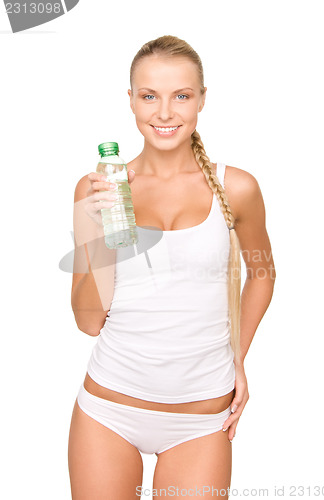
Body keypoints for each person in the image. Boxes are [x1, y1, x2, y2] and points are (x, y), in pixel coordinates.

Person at [68, 35, 276, 499]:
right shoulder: (97, 188)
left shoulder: (237, 188)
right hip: (107, 410)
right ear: (131, 100)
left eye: (181, 95)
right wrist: (98, 237)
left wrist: (237, 357)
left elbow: (262, 272)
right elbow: (88, 322)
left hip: (200, 421)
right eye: (149, 96)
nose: (165, 112)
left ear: (202, 98)